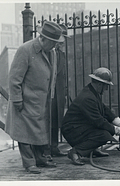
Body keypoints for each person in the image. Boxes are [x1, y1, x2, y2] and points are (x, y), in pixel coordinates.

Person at [5, 21, 64, 174]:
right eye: (53, 42)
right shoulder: (25, 50)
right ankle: (29, 163)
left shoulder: (52, 52)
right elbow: (14, 78)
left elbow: (52, 76)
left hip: (41, 101)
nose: (55, 46)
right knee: (23, 133)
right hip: (25, 100)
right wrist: (17, 99)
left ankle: (41, 159)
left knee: (40, 131)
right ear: (44, 39)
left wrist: (49, 97)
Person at [61, 67, 120, 166]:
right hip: (72, 131)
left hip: (77, 128)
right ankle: (75, 152)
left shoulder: (92, 92)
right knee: (104, 135)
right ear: (99, 84)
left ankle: (90, 150)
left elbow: (106, 111)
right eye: (106, 86)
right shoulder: (88, 97)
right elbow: (98, 121)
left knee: (104, 132)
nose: (106, 89)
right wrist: (117, 130)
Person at [43, 24, 68, 161]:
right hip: (48, 92)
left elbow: (62, 75)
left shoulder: (61, 54)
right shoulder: (48, 53)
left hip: (58, 93)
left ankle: (54, 146)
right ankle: (46, 149)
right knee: (47, 120)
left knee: (56, 120)